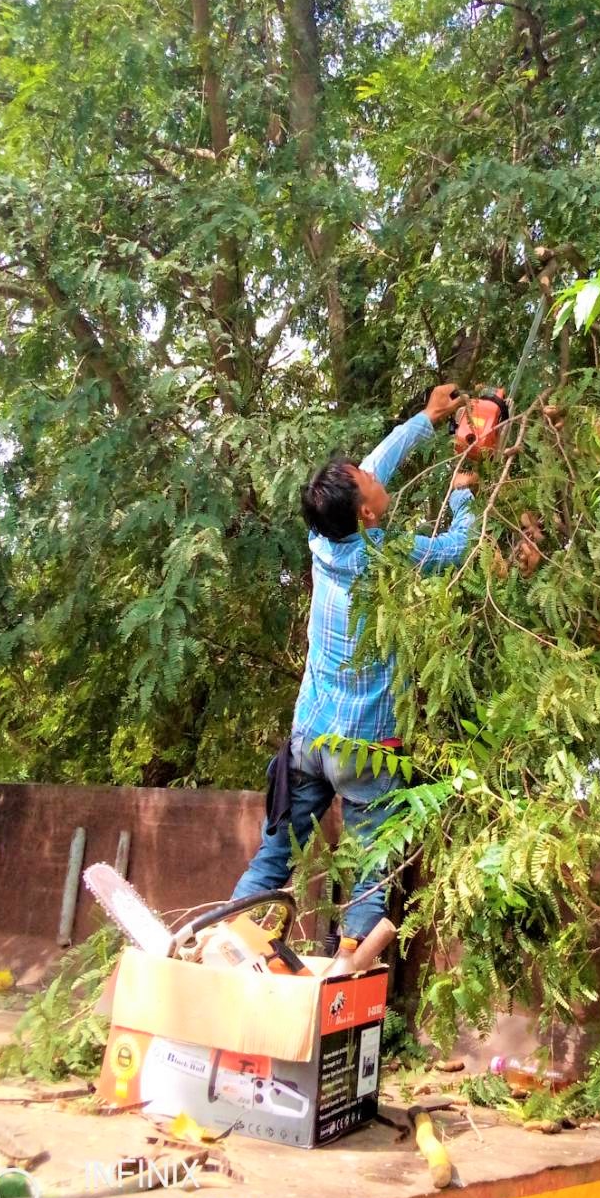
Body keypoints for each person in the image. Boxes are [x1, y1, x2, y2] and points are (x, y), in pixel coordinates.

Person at [232, 383, 476, 941]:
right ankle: (350, 989)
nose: (375, 475)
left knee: (274, 860)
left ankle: (226, 941)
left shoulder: (324, 538)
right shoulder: (383, 556)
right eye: (370, 484)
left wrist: (427, 420)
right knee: (370, 874)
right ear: (367, 511)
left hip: (311, 740)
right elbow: (453, 552)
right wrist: (462, 490)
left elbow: (369, 466)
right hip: (365, 751)